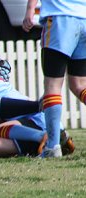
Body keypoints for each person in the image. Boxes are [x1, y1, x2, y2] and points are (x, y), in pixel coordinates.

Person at [22, 0, 86, 157]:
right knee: (79, 84)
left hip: (60, 18)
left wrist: (30, 9)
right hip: (84, 18)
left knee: (53, 85)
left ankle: (52, 146)